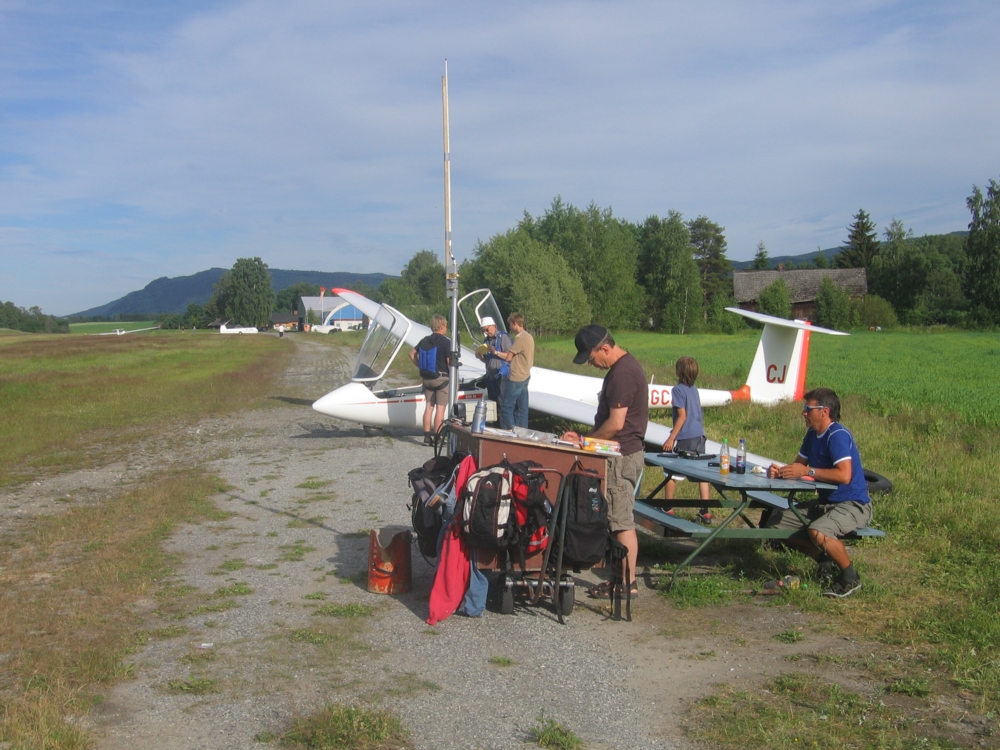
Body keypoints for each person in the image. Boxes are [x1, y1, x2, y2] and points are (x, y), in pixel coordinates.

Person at [562, 325, 648, 599]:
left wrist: (584, 442)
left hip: (622, 457)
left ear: (605, 349)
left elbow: (615, 424)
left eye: (591, 358)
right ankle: (618, 580)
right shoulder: (621, 369)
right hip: (619, 454)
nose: (591, 364)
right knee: (613, 519)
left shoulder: (623, 373)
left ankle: (628, 584)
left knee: (621, 521)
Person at [765, 387, 872, 598]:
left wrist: (808, 471)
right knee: (775, 524)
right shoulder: (812, 435)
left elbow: (844, 475)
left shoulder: (837, 435)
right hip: (825, 503)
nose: (803, 413)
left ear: (824, 411)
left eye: (808, 409)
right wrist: (781, 472)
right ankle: (823, 559)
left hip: (853, 504)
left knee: (818, 531)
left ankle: (850, 578)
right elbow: (798, 466)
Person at [661, 356, 711, 523]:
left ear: (678, 371)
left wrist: (671, 438)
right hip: (699, 436)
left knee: (671, 471)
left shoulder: (677, 390)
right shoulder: (694, 389)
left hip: (686, 437)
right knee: (701, 474)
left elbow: (682, 416)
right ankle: (705, 510)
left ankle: (667, 506)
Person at [410, 315, 451, 445]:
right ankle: (438, 438)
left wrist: (420, 366)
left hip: (427, 378)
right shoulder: (446, 342)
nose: (446, 328)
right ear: (442, 326)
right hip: (441, 379)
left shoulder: (424, 340)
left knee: (428, 407)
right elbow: (449, 362)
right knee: (440, 409)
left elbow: (412, 354)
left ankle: (427, 438)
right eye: (446, 326)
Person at [494, 312, 533, 430]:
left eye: (510, 324)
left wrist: (495, 352)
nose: (510, 327)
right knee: (522, 408)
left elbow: (508, 357)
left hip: (516, 377)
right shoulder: (529, 336)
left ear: (514, 323)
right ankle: (523, 431)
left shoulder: (519, 338)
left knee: (506, 407)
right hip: (525, 375)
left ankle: (511, 430)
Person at [475, 316, 512, 412]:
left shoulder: (503, 337)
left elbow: (510, 356)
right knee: (493, 404)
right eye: (484, 331)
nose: (486, 332)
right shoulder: (486, 340)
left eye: (487, 329)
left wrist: (496, 352)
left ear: (493, 326)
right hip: (490, 377)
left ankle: (504, 421)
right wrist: (480, 357)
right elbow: (487, 360)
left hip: (502, 376)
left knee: (503, 404)